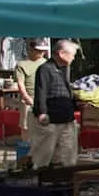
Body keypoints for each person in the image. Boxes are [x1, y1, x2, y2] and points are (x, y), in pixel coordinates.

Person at [32, 39, 81, 169]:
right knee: (43, 156)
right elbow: (41, 91)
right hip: (51, 120)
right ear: (61, 53)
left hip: (66, 119)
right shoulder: (45, 69)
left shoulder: (64, 69)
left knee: (68, 156)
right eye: (72, 54)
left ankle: (65, 181)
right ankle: (40, 181)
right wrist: (42, 113)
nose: (74, 58)